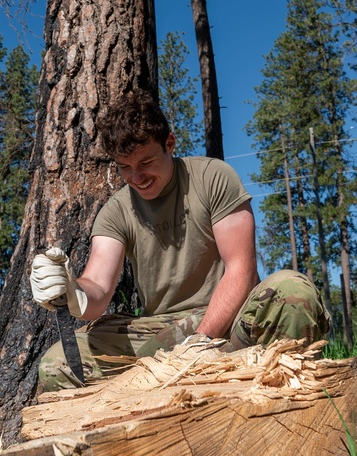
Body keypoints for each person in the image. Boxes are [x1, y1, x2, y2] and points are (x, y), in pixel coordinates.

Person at [31, 90, 330, 391]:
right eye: (124, 167)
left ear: (169, 144)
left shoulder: (213, 177)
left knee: (294, 291)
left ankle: (277, 397)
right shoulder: (116, 211)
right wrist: (73, 290)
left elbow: (242, 269)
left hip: (227, 319)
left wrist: (200, 343)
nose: (137, 177)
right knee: (57, 365)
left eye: (146, 162)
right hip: (161, 333)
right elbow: (98, 285)